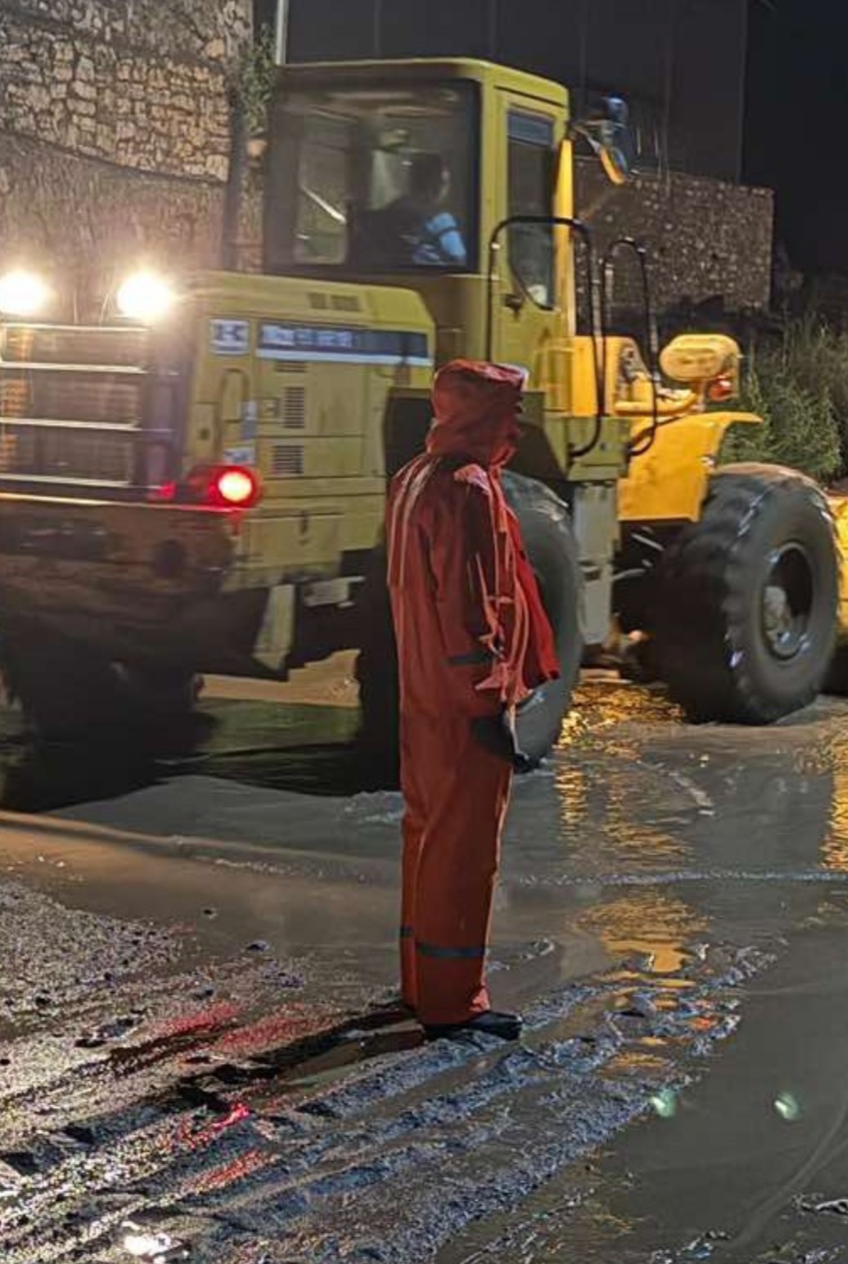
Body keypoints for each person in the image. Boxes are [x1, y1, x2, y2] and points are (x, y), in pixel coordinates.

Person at [384, 360, 559, 1041]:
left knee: (426, 836)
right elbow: (471, 607)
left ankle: (420, 983)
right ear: (482, 415)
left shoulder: (414, 478)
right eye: (509, 412)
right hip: (462, 701)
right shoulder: (468, 489)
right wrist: (489, 704)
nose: (517, 426)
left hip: (422, 692)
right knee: (463, 852)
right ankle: (454, 1001)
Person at [369, 153, 468, 269]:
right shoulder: (441, 219)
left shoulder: (393, 208)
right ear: (437, 184)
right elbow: (459, 259)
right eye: (445, 182)